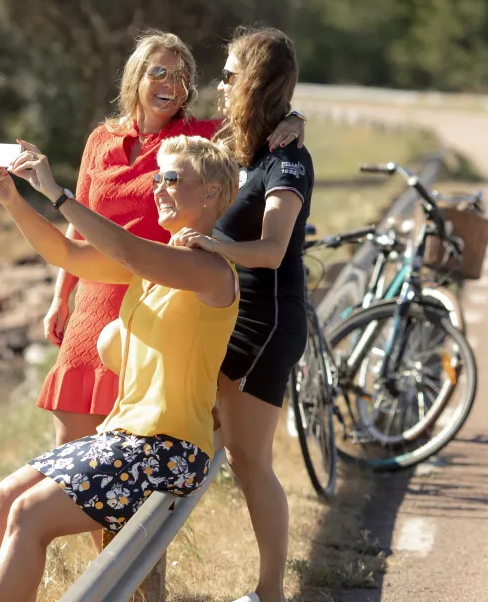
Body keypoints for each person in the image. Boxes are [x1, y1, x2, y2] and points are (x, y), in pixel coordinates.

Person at [0, 135, 242, 602]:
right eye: (157, 177)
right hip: (123, 438)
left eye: (172, 178)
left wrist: (58, 193)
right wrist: (12, 200)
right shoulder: (155, 267)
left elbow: (129, 252)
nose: (159, 187)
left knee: (29, 514)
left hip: (168, 448)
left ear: (212, 194)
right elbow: (68, 255)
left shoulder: (212, 271)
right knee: (4, 500)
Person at [37, 30, 306, 459]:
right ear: (135, 78)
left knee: (123, 445)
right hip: (92, 298)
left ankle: (139, 526)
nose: (171, 84)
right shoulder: (99, 140)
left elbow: (258, 117)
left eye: (181, 77)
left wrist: (296, 121)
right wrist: (60, 298)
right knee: (70, 446)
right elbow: (78, 224)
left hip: (154, 293)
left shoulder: (202, 138)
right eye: (159, 72)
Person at [170, 26, 312, 602]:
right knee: (213, 440)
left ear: (253, 80)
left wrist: (213, 246)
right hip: (231, 319)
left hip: (266, 324)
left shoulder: (289, 160)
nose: (220, 84)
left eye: (230, 74)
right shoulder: (244, 145)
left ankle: (270, 592)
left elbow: (274, 249)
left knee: (252, 461)